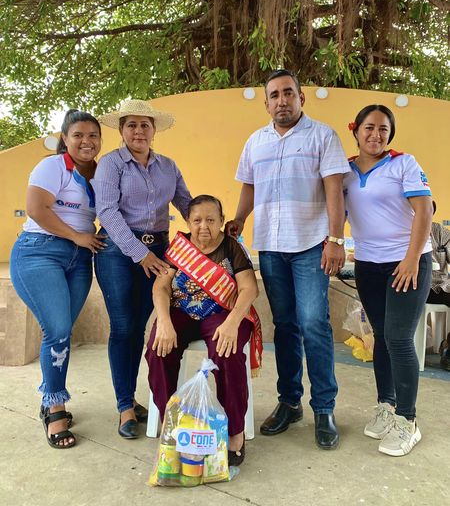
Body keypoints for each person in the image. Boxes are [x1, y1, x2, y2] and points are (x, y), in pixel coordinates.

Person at [227, 69, 350, 449]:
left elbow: (334, 191)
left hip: (311, 245)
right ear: (266, 103)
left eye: (288, 93)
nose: (282, 100)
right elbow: (250, 186)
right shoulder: (255, 141)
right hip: (270, 246)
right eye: (275, 95)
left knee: (313, 323)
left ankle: (324, 408)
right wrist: (239, 219)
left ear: (301, 97)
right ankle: (290, 401)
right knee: (284, 325)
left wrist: (335, 240)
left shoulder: (323, 136)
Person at [92, 98, 192, 439]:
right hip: (117, 252)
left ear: (154, 130)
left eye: (144, 125)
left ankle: (132, 399)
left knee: (139, 326)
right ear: (122, 130)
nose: (138, 131)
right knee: (123, 327)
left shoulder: (168, 166)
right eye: (131, 125)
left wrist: (213, 229)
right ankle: (125, 405)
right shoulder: (111, 164)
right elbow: (107, 212)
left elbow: (187, 204)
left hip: (159, 250)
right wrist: (140, 254)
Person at [10, 109, 104, 449]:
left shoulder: (101, 173)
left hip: (79, 260)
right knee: (59, 329)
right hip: (40, 252)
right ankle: (55, 409)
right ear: (65, 139)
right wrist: (77, 236)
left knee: (60, 332)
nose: (86, 141)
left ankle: (50, 396)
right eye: (78, 135)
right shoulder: (53, 166)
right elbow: (37, 209)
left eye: (93, 135)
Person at [146, 195, 262, 465]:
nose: (203, 226)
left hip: (222, 313)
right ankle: (170, 424)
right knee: (158, 350)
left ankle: (235, 432)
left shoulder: (232, 247)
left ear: (222, 221)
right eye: (197, 220)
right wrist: (163, 321)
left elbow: (249, 288)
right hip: (182, 311)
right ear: (188, 222)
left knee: (227, 351)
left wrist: (232, 323)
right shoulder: (179, 248)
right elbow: (161, 287)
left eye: (211, 220)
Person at [344, 104, 432, 456]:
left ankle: (408, 422)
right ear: (356, 130)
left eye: (383, 129)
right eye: (369, 127)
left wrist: (411, 259)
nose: (376, 134)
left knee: (398, 337)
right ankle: (386, 405)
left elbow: (424, 210)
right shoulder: (346, 171)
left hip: (407, 262)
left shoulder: (403, 164)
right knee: (381, 335)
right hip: (368, 265)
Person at [426, 201, 450, 370]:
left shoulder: (440, 231)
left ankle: (448, 346)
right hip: (416, 286)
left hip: (441, 284)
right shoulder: (402, 231)